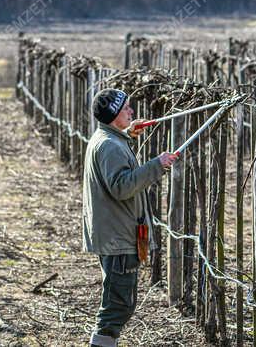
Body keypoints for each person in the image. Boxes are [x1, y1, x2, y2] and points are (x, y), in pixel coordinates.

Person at [82, 88, 176, 347]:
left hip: (119, 232)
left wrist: (127, 133)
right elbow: (122, 187)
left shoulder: (109, 138)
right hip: (119, 236)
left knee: (121, 302)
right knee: (118, 306)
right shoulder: (110, 146)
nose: (132, 112)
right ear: (114, 114)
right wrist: (157, 164)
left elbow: (117, 164)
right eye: (126, 109)